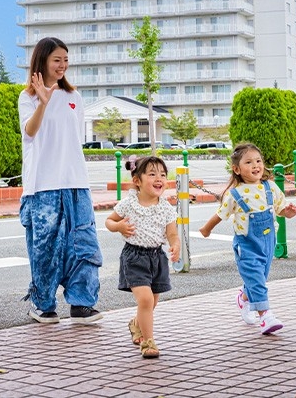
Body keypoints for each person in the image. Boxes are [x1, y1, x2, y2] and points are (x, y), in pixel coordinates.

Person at [18, 36, 103, 325]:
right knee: (45, 248)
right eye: (57, 60)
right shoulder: (27, 97)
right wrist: (43, 103)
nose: (63, 65)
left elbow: (74, 139)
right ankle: (44, 305)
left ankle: (82, 304)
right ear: (42, 61)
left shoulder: (74, 97)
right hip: (42, 185)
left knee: (83, 243)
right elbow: (30, 134)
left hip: (76, 181)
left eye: (65, 60)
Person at [199, 143, 296, 334]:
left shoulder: (269, 187)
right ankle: (266, 316)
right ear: (237, 169)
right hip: (246, 245)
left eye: (258, 161)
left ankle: (244, 298)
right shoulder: (234, 194)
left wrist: (289, 212)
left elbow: (281, 209)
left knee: (258, 278)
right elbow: (220, 214)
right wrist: (206, 229)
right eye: (249, 162)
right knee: (257, 280)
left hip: (269, 242)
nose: (256, 165)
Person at [105, 155, 180, 359]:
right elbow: (109, 221)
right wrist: (119, 226)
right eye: (152, 174)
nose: (159, 178)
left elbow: (171, 233)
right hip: (134, 257)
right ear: (137, 181)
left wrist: (175, 244)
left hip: (157, 257)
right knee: (145, 300)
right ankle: (148, 342)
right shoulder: (129, 203)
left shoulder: (166, 207)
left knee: (152, 302)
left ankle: (136, 324)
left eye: (163, 175)